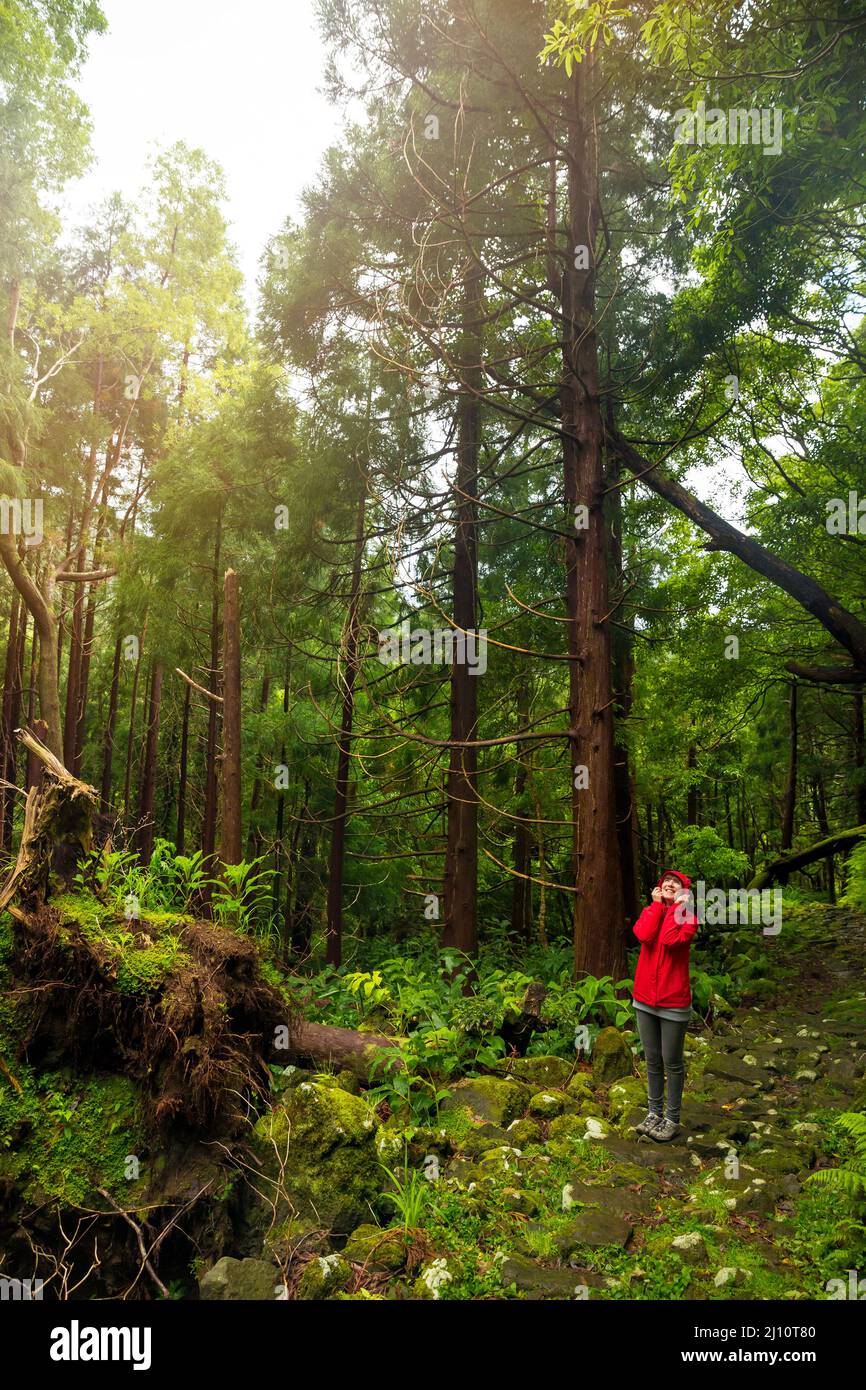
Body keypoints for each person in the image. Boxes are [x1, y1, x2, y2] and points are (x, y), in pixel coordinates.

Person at [630, 869, 698, 1142]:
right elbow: (644, 935)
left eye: (676, 883)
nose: (670, 884)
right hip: (645, 999)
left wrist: (676, 907)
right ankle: (653, 1113)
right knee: (653, 1060)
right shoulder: (652, 912)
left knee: (672, 1062)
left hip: (673, 1002)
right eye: (665, 881)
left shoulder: (688, 917)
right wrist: (657, 907)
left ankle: (671, 1118)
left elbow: (670, 940)